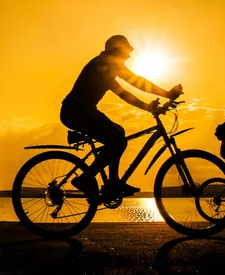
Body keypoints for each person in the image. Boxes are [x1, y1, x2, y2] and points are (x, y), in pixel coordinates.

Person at [60, 35, 183, 201]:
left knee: (118, 133)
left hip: (79, 112)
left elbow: (124, 94)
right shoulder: (106, 64)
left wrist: (147, 107)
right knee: (117, 140)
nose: (129, 56)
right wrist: (167, 94)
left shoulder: (104, 67)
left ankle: (113, 182)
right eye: (126, 51)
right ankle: (86, 178)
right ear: (117, 50)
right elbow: (136, 82)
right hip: (78, 112)